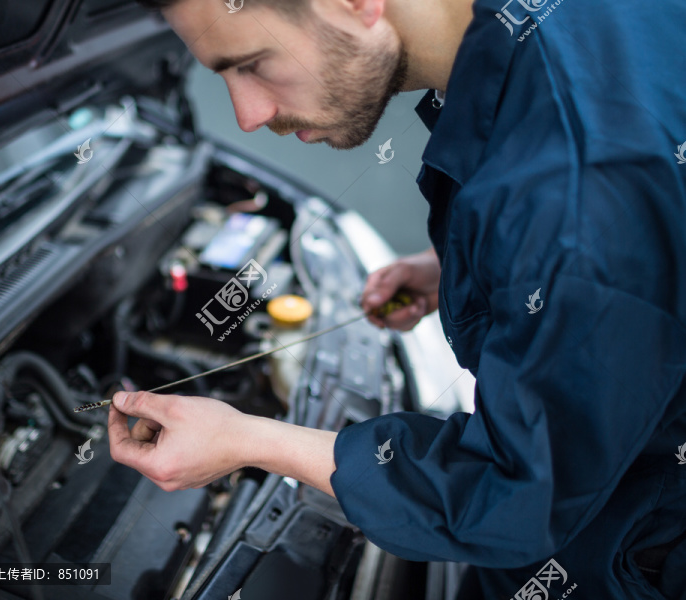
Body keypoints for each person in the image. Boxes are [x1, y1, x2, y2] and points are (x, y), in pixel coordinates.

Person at [106, 0, 686, 597]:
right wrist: (486, 267)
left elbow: (516, 496)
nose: (248, 115)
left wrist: (250, 441)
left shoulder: (576, 190)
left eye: (253, 63)